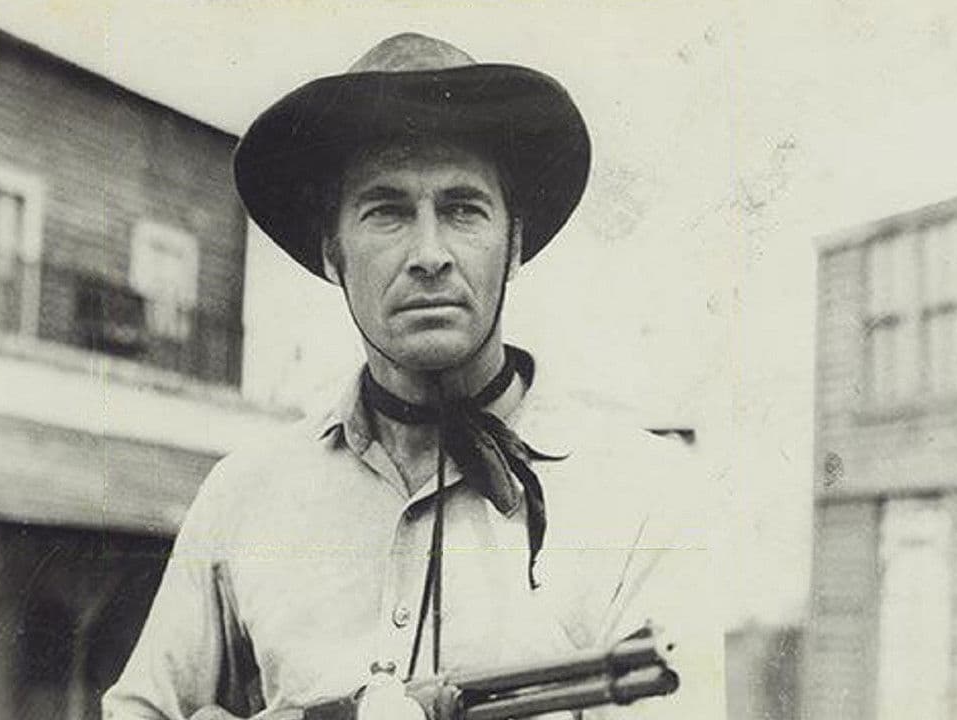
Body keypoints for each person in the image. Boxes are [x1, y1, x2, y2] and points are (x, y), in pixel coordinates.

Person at [104, 32, 724, 720]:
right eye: (388, 212)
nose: (430, 254)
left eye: (463, 209)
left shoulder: (642, 496)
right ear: (332, 252)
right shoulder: (243, 496)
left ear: (514, 244)